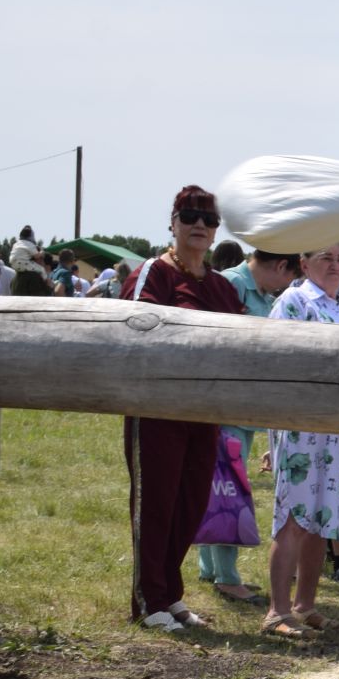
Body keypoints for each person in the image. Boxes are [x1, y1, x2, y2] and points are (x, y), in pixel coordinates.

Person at [120, 186, 247, 630]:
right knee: (155, 503)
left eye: (209, 219)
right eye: (190, 216)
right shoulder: (153, 272)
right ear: (172, 222)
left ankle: (170, 594)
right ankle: (148, 599)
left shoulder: (219, 286)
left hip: (204, 413)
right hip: (157, 410)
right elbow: (134, 331)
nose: (199, 225)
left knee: (189, 505)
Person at [256, 244, 339, 636]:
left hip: (338, 434)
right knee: (293, 520)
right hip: (301, 428)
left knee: (324, 520)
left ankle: (305, 606)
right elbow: (275, 359)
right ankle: (277, 611)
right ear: (303, 263)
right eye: (325, 258)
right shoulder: (295, 300)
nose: (335, 265)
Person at [197, 251, 302, 607]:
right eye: (290, 276)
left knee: (218, 489)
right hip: (225, 409)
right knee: (229, 495)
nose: (287, 286)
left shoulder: (254, 292)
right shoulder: (232, 286)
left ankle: (209, 568)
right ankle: (228, 578)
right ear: (280, 266)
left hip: (240, 411)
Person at [9, 225, 50, 296]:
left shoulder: (14, 279)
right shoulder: (34, 277)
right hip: (30, 306)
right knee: (42, 270)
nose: (43, 262)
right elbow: (40, 298)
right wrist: (49, 286)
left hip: (13, 262)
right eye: (42, 259)